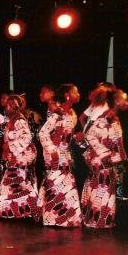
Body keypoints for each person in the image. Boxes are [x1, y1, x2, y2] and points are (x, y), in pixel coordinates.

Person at [80, 84, 127, 228]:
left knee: (101, 186)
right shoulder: (106, 118)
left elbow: (116, 141)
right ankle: (99, 221)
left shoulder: (109, 118)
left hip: (101, 159)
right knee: (102, 187)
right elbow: (90, 135)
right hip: (101, 159)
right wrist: (103, 153)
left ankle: (98, 220)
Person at [37, 84, 83, 227]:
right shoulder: (58, 114)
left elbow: (66, 136)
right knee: (55, 183)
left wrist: (77, 138)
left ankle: (67, 219)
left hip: (65, 154)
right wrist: (52, 150)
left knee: (67, 185)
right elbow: (43, 133)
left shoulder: (72, 114)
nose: (79, 94)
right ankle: (53, 218)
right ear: (67, 96)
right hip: (54, 155)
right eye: (76, 92)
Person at [0, 94, 40, 220]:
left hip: (20, 157)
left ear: (15, 107)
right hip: (15, 156)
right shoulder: (13, 120)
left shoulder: (19, 120)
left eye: (9, 105)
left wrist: (13, 150)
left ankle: (19, 210)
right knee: (18, 184)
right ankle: (19, 210)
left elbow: (27, 137)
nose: (6, 108)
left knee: (16, 183)